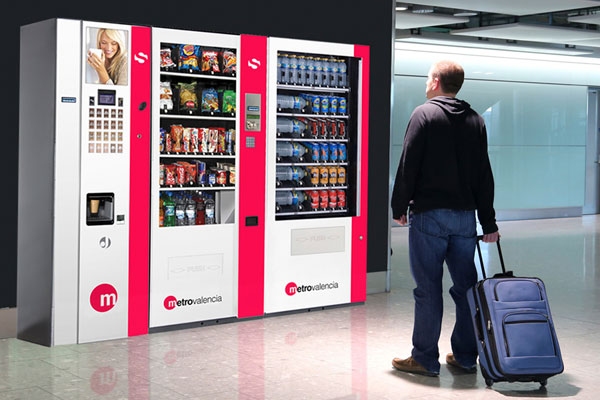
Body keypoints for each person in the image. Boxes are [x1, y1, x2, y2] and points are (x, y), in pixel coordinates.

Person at [390, 60, 500, 377]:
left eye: (428, 78)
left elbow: (409, 163)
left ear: (436, 81)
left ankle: (425, 358)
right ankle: (465, 356)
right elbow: (483, 175)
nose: (426, 83)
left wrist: (399, 207)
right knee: (466, 288)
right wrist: (488, 222)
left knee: (428, 288)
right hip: (465, 219)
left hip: (429, 216)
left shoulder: (423, 114)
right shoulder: (475, 120)